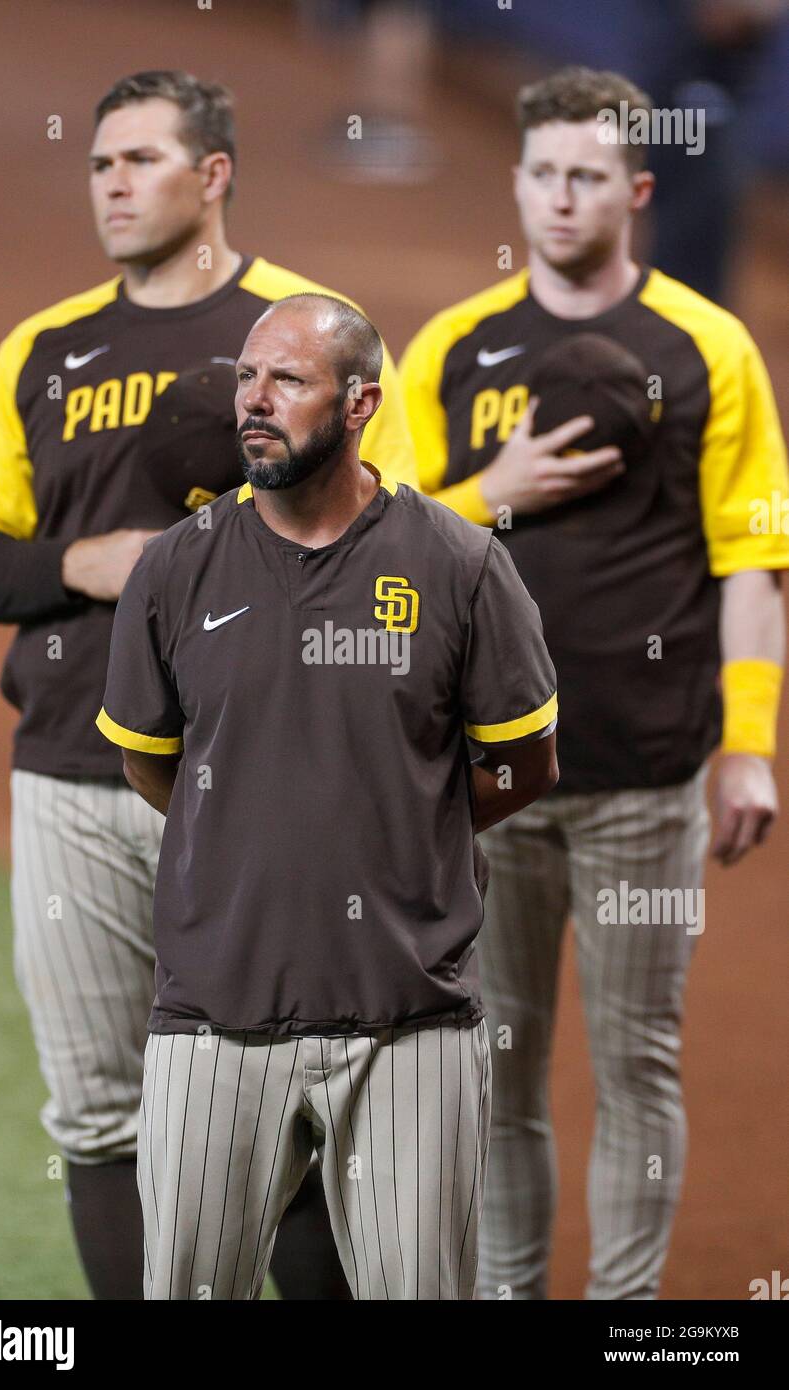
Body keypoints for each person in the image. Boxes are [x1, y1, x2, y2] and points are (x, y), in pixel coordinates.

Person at [0, 69, 417, 1301]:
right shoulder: (43, 350)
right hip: (70, 775)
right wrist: (79, 562)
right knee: (101, 1112)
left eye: (141, 160)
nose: (111, 183)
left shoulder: (309, 332)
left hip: (255, 788)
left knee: (289, 1114)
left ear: (212, 176)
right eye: (100, 163)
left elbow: (397, 545)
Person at [399, 65, 788, 1299]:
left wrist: (747, 743)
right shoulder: (452, 348)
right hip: (489, 785)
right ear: (514, 182)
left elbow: (748, 563)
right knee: (498, 1073)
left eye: (584, 178)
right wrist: (487, 496)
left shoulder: (708, 346)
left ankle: (626, 1320)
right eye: (540, 176)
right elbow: (377, 558)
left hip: (645, 777)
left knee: (637, 1063)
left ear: (634, 188)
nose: (559, 201)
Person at [96, 292, 559, 1300]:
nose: (253, 403)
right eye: (247, 378)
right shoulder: (175, 569)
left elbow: (523, 763)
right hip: (212, 1014)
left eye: (287, 381)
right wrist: (255, 821)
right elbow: (148, 758)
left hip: (409, 1019)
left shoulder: (460, 565)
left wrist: (399, 825)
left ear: (358, 405)